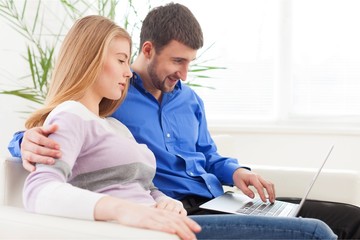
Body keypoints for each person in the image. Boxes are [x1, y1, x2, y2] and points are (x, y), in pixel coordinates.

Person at [9, 4, 340, 240]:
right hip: (180, 213)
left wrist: (237, 172)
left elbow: (207, 157)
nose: (184, 73)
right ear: (149, 50)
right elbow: (56, 127)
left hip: (215, 199)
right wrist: (24, 142)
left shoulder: (186, 100)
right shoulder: (113, 102)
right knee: (315, 233)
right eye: (178, 61)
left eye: (190, 63)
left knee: (349, 217)